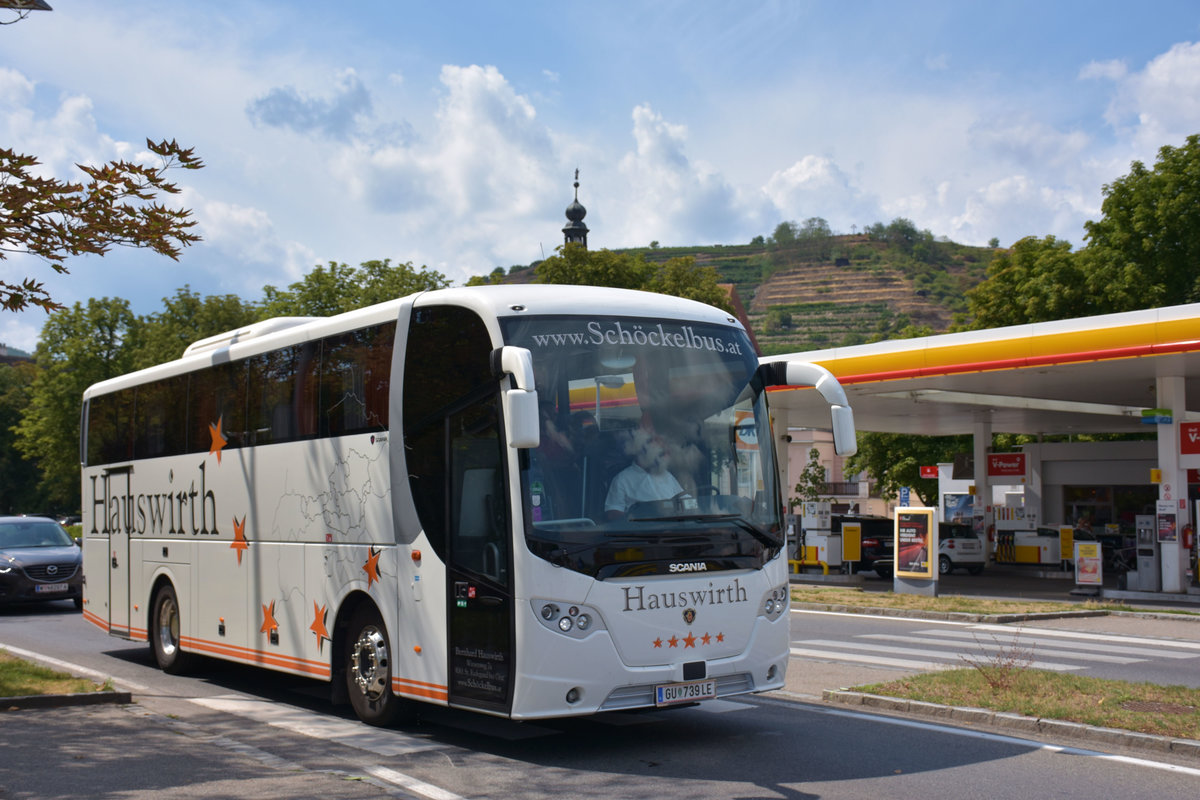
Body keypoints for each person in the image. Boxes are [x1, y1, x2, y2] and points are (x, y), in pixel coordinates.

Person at [604, 428, 686, 519]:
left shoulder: (667, 475)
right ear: (639, 450)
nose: (657, 447)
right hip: (642, 530)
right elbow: (612, 513)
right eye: (650, 442)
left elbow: (685, 501)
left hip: (675, 529)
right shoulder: (621, 480)